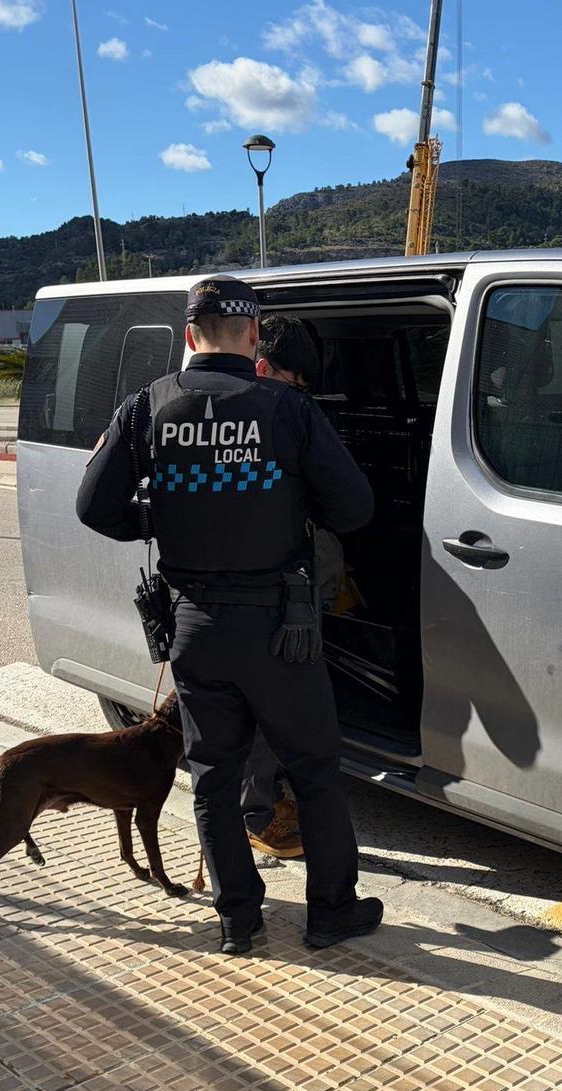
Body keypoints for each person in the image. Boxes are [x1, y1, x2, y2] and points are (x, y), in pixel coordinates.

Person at [75, 277, 383, 955]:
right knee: (313, 770)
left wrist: (160, 520)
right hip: (280, 628)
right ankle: (330, 911)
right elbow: (354, 508)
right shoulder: (288, 410)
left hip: (192, 624)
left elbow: (94, 508)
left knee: (214, 777)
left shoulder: (146, 406)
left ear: (190, 336)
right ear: (253, 336)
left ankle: (238, 921)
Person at [239, 314, 349, 861]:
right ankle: (259, 813)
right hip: (272, 591)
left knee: (252, 707)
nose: (299, 397)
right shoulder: (273, 420)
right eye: (293, 383)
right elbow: (352, 506)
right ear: (262, 367)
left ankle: (252, 809)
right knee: (269, 710)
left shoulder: (188, 409)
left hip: (238, 591)